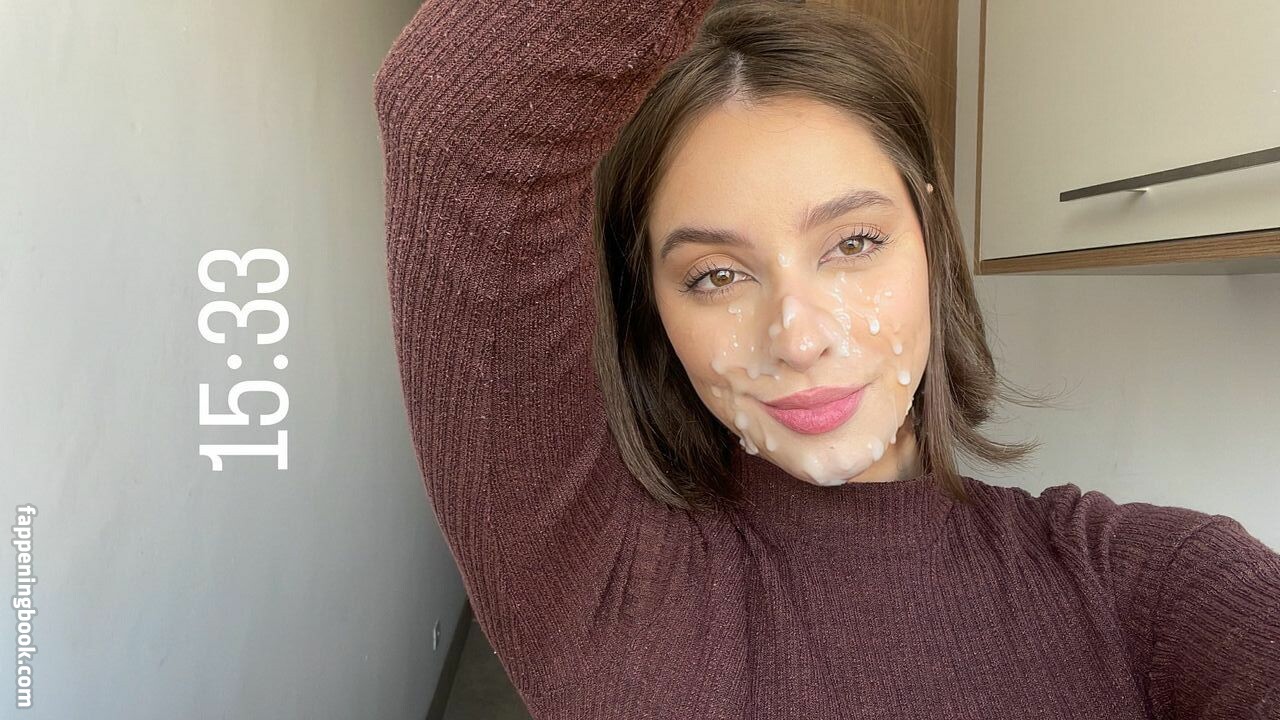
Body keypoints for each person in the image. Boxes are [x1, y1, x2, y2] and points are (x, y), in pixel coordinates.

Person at [373, 0, 1280, 717]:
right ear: (655, 311)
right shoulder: (609, 594)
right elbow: (452, 125)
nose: (798, 338)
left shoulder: (1145, 585)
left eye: (852, 243)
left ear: (930, 235)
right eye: (716, 275)